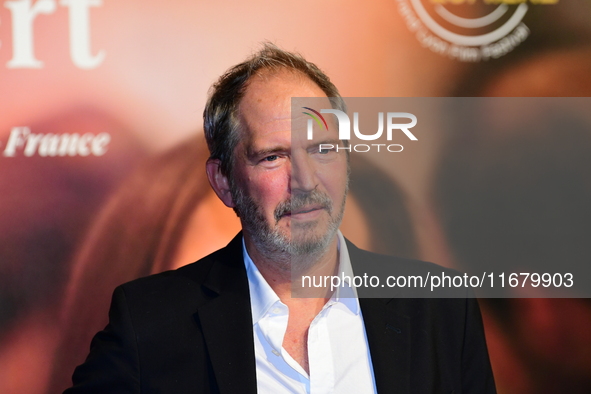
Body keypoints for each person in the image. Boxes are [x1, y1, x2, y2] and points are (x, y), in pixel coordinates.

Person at [65, 43, 495, 393]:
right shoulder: (152, 321)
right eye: (273, 157)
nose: (304, 181)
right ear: (225, 181)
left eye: (322, 150)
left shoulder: (439, 308)